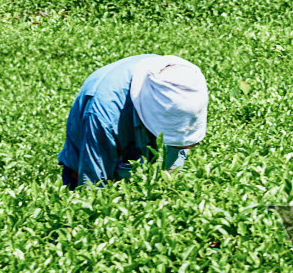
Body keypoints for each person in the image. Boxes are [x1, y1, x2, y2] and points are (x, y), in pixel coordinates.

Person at [58, 54, 208, 189]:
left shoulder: (181, 84)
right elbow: (93, 184)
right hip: (97, 137)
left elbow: (178, 146)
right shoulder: (104, 114)